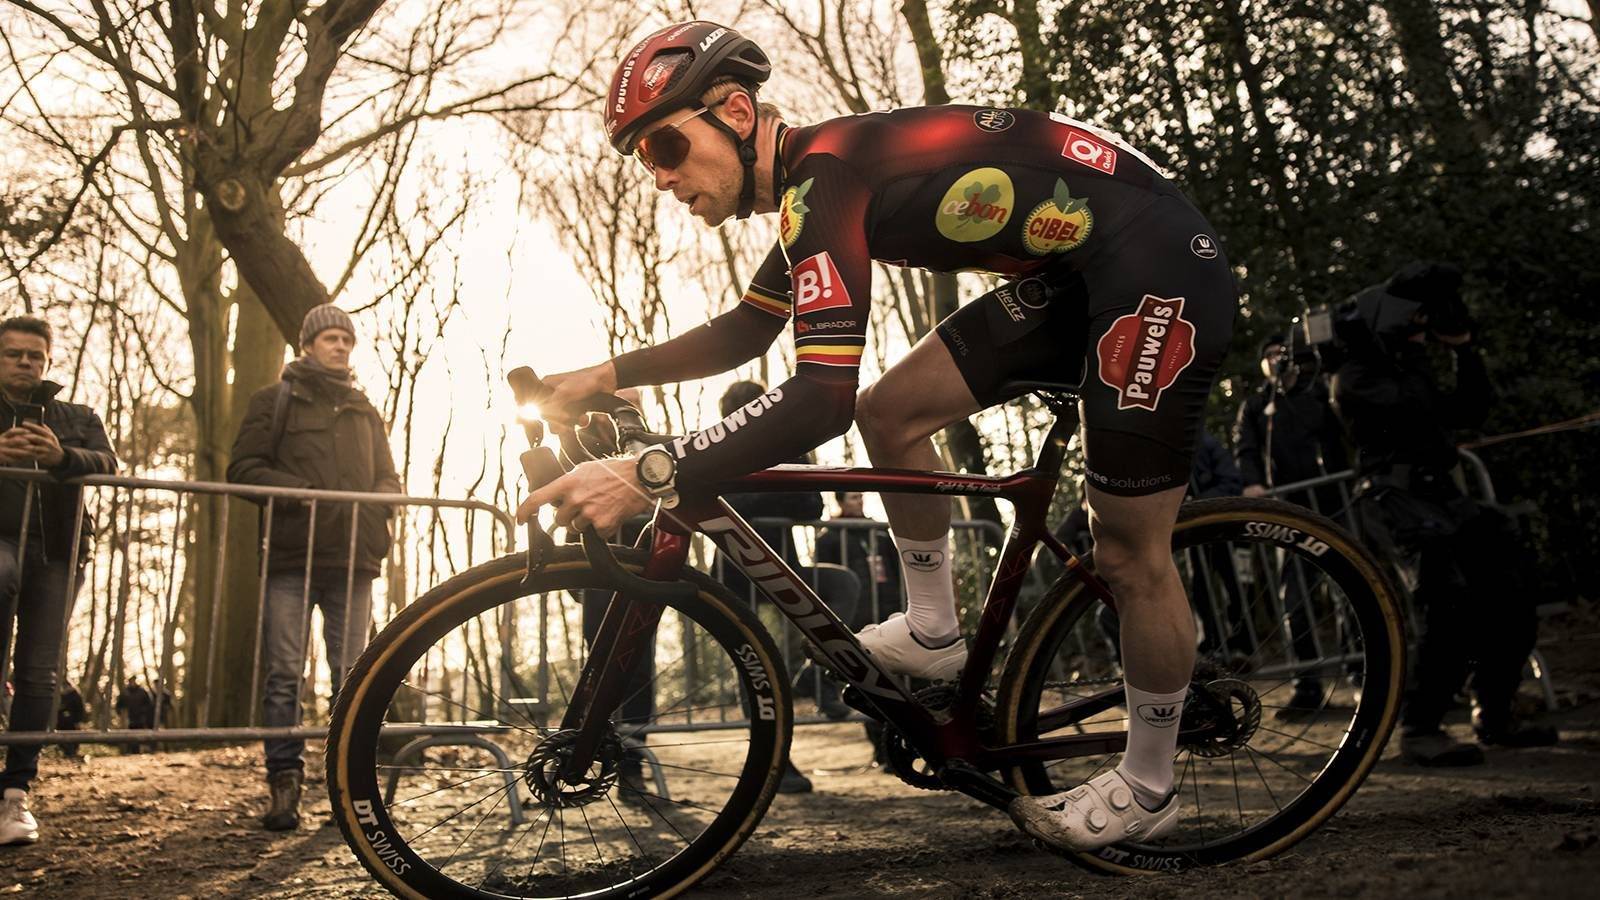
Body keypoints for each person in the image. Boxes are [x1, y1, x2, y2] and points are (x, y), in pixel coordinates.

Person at [520, 21, 1237, 850]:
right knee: (891, 414)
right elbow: (745, 336)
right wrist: (605, 377)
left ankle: (1149, 784)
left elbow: (818, 398)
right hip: (1077, 278)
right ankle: (934, 631)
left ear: (736, 111)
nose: (663, 177)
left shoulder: (825, 179)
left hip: (1157, 272)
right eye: (646, 160)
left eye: (668, 147)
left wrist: (651, 471)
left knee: (1127, 550)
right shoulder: (809, 190)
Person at [1331, 262, 1556, 767]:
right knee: (1444, 601)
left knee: (1512, 583)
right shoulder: (1354, 375)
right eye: (1412, 319)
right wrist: (1395, 343)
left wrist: (1463, 349)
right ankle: (1421, 726)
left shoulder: (1405, 364)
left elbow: (1469, 410)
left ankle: (1494, 712)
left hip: (1444, 496)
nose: (1418, 329)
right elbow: (1410, 409)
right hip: (1393, 499)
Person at [227, 304, 403, 831]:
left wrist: (375, 508)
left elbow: (389, 479)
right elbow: (242, 468)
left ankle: (349, 789)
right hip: (289, 558)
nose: (340, 346)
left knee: (353, 677)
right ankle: (284, 786)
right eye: (329, 337)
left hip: (354, 561)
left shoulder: (365, 409)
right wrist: (301, 494)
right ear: (307, 344)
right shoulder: (272, 401)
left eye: (346, 339)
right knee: (284, 676)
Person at [0, 315, 119, 847]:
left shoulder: (76, 415)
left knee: (40, 672)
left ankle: (15, 793)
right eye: (13, 354)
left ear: (48, 362)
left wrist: (61, 457)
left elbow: (111, 464)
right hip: (1, 545)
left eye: (36, 356)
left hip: (57, 553)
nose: (26, 363)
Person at [710, 380, 857, 793]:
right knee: (752, 664)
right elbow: (728, 504)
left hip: (782, 568)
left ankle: (817, 674)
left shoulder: (785, 448)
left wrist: (770, 484)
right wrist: (772, 492)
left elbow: (812, 505)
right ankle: (777, 760)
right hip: (733, 577)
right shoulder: (718, 452)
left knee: (842, 583)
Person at [1234, 332, 1352, 714]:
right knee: (1295, 599)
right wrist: (1253, 483)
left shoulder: (1316, 394)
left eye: (1280, 354)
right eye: (1267, 356)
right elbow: (1246, 448)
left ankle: (1362, 675)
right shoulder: (1254, 406)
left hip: (1332, 503)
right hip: (1288, 512)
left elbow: (1335, 433)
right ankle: (1307, 687)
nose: (1275, 360)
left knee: (1347, 591)